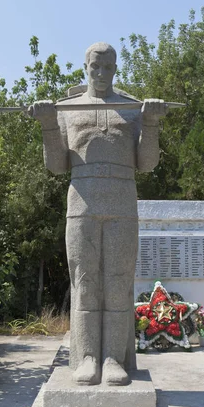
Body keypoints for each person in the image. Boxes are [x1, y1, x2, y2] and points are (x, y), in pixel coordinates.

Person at [31, 42, 167, 385]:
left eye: (108, 68)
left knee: (118, 284)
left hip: (122, 204)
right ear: (85, 67)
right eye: (96, 67)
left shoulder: (131, 109)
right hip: (82, 206)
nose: (102, 74)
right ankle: (89, 356)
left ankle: (112, 358)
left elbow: (147, 164)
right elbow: (56, 166)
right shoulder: (68, 109)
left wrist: (150, 124)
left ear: (116, 68)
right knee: (86, 284)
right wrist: (49, 124)